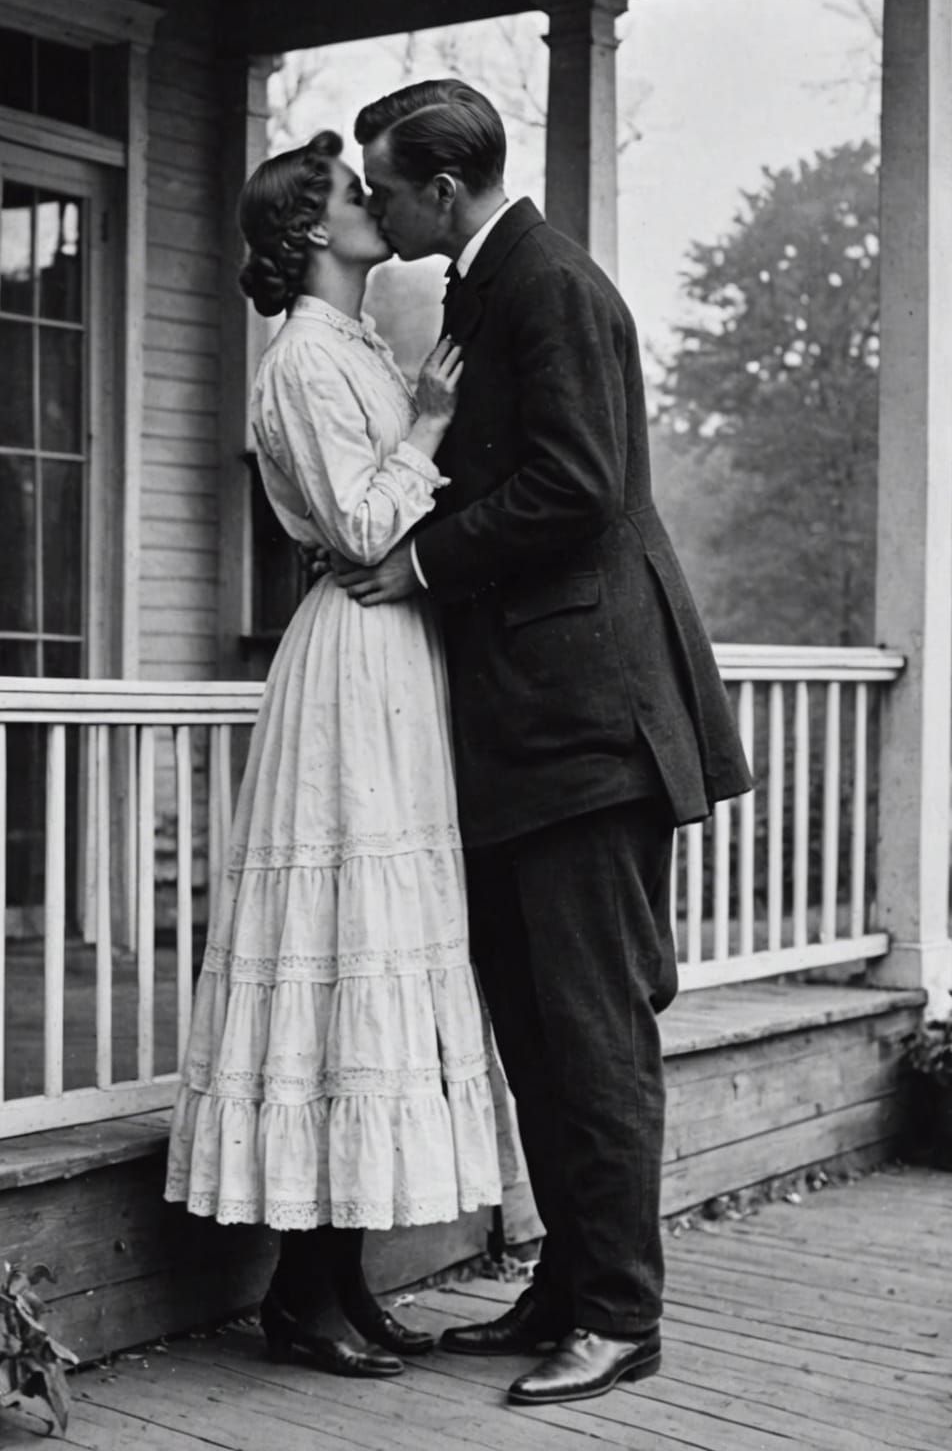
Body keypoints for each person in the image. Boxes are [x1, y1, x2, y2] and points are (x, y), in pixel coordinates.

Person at [336, 80, 753, 1408]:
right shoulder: (488, 281)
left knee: (591, 1032)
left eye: (385, 183)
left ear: (443, 188)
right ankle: (572, 1287)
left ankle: (621, 1319)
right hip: (532, 730)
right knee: (537, 1021)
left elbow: (579, 483)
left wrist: (421, 564)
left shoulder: (550, 285)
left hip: (589, 727)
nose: (376, 202)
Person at [163, 128, 515, 1379]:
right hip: (350, 661)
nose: (375, 204)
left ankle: (343, 1282)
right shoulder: (305, 358)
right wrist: (426, 421)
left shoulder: (362, 342)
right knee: (342, 952)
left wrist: (418, 411)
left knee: (387, 946)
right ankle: (299, 1296)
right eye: (351, 194)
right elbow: (365, 523)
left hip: (400, 659)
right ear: (311, 231)